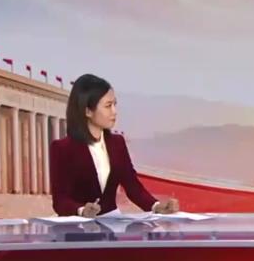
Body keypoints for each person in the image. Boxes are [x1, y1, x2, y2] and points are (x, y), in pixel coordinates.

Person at [50, 73, 179, 217]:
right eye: (108, 106)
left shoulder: (117, 143)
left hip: (112, 221)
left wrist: (156, 206)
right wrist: (81, 210)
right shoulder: (62, 148)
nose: (114, 112)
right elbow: (60, 201)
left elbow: (133, 187)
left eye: (114, 105)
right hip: (76, 225)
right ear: (88, 111)